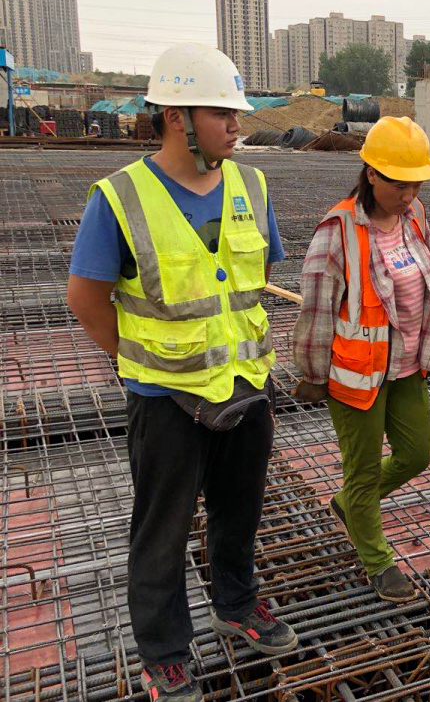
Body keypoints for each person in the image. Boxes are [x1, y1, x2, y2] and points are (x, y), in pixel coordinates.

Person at [66, 43, 295, 702]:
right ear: (176, 117)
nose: (236, 126)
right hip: (165, 399)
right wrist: (137, 359)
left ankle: (237, 603)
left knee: (239, 510)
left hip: (246, 386)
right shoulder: (120, 197)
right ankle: (164, 653)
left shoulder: (252, 185)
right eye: (222, 113)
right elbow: (85, 298)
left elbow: (254, 279)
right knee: (162, 530)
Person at [292, 116, 430, 604]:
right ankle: (378, 562)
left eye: (417, 183)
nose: (409, 193)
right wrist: (313, 374)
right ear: (372, 173)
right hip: (358, 373)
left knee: (416, 454)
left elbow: (428, 286)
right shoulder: (338, 229)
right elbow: (317, 307)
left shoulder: (414, 217)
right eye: (400, 184)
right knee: (361, 472)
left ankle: (350, 506)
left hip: (408, 365)